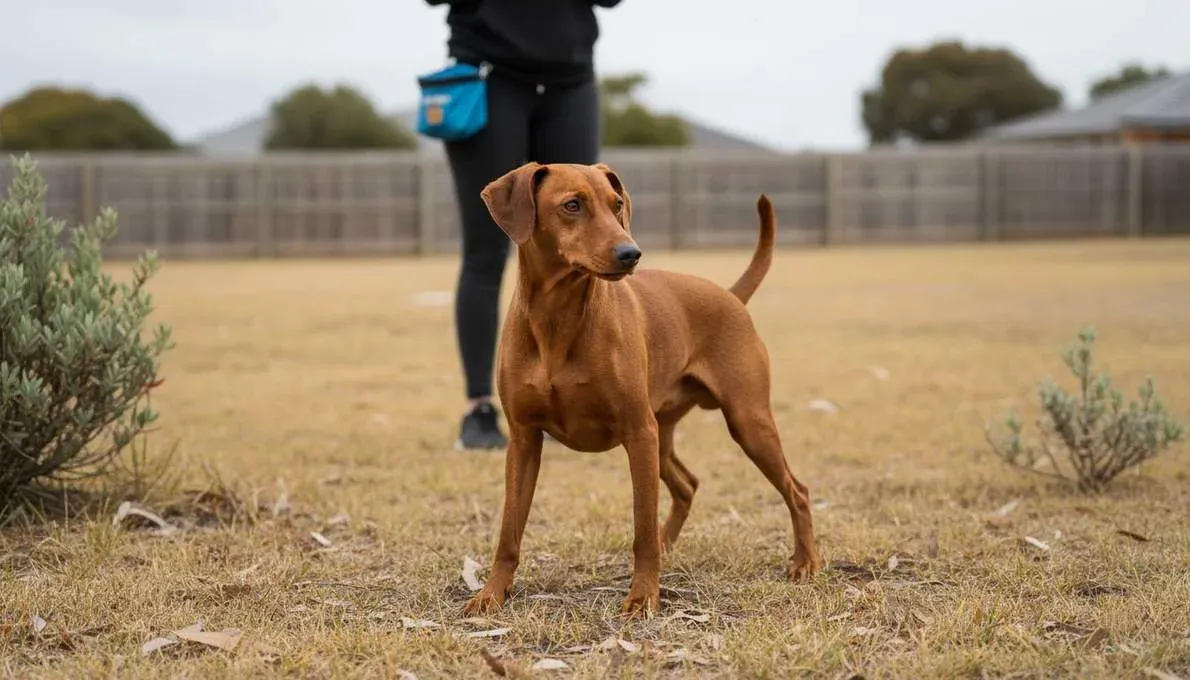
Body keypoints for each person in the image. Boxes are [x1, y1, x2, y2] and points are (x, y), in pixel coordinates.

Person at [424, 0, 623, 451]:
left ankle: (570, 397)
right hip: (487, 78)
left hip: (570, 80)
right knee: (485, 250)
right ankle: (479, 410)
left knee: (581, 246)